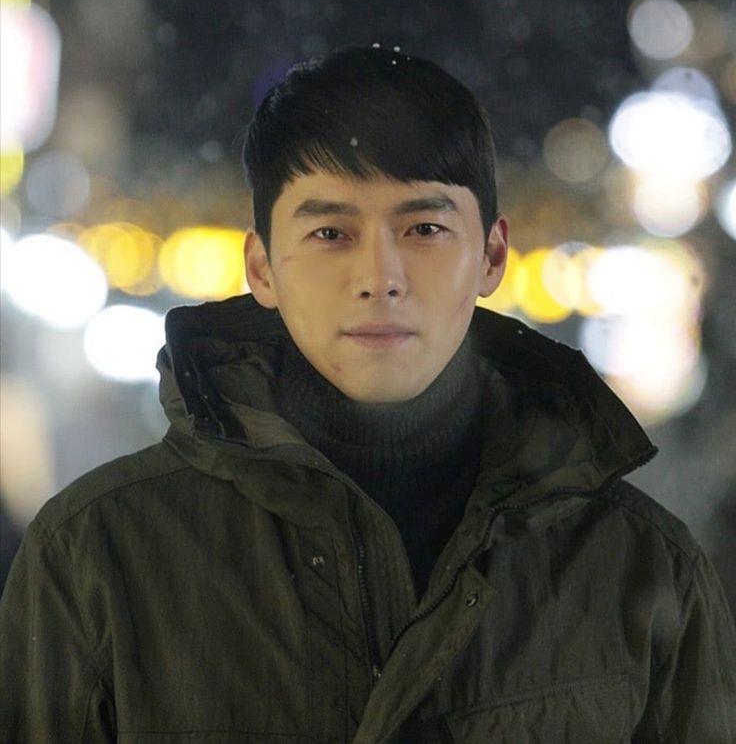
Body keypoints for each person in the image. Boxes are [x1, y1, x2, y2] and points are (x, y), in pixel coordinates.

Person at [1, 45, 734, 742]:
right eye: (329, 232)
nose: (379, 275)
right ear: (260, 266)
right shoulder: (101, 555)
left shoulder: (634, 566)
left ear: (491, 255)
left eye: (422, 227)